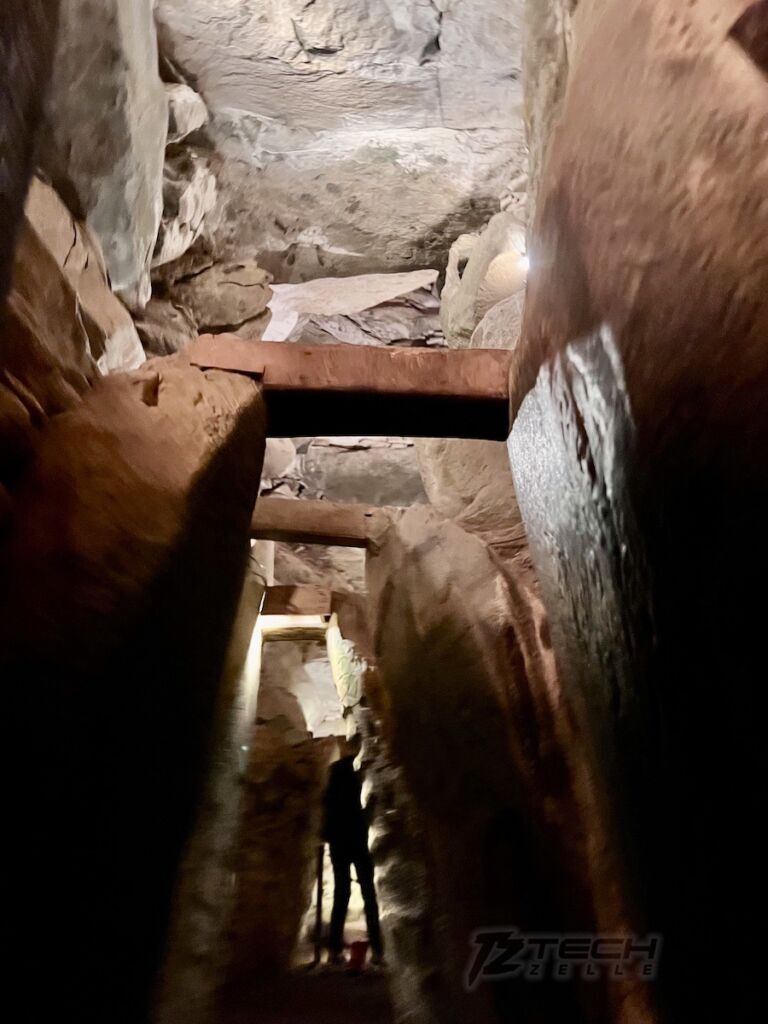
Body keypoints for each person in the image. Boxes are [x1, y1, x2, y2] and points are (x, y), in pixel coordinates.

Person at [321, 743, 383, 966]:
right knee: (369, 894)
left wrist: (326, 834)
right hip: (359, 839)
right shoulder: (362, 769)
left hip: (340, 840)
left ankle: (335, 950)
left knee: (341, 893)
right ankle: (378, 949)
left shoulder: (336, 770)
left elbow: (326, 804)